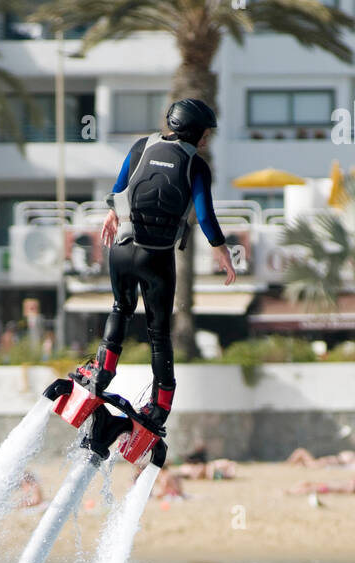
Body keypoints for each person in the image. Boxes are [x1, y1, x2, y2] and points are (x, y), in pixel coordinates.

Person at [75, 98, 237, 434]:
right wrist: (221, 250)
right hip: (156, 256)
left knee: (120, 307)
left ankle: (100, 373)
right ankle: (160, 405)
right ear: (195, 132)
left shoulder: (141, 146)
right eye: (206, 132)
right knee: (158, 332)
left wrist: (111, 214)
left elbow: (120, 188)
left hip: (120, 247)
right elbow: (204, 216)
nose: (208, 139)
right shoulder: (196, 165)